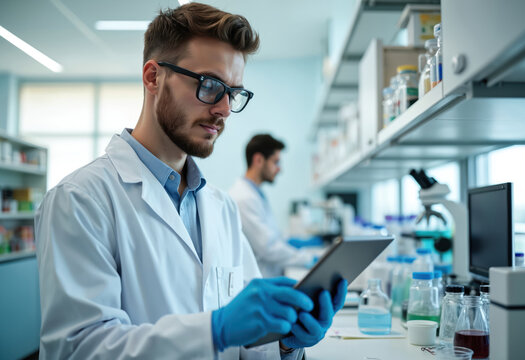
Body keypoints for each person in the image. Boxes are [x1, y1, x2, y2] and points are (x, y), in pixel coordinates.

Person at [35, 3, 347, 359]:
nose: (225, 109)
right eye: (210, 85)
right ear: (153, 77)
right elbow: (77, 350)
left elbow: (249, 344)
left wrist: (287, 342)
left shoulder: (221, 207)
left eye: (233, 93)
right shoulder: (79, 200)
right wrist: (214, 331)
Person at [229, 134, 317, 278]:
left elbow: (271, 236)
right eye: (276, 162)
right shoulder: (243, 198)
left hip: (267, 275)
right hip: (257, 280)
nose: (279, 169)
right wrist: (309, 259)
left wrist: (291, 241)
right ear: (258, 160)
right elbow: (269, 247)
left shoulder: (255, 194)